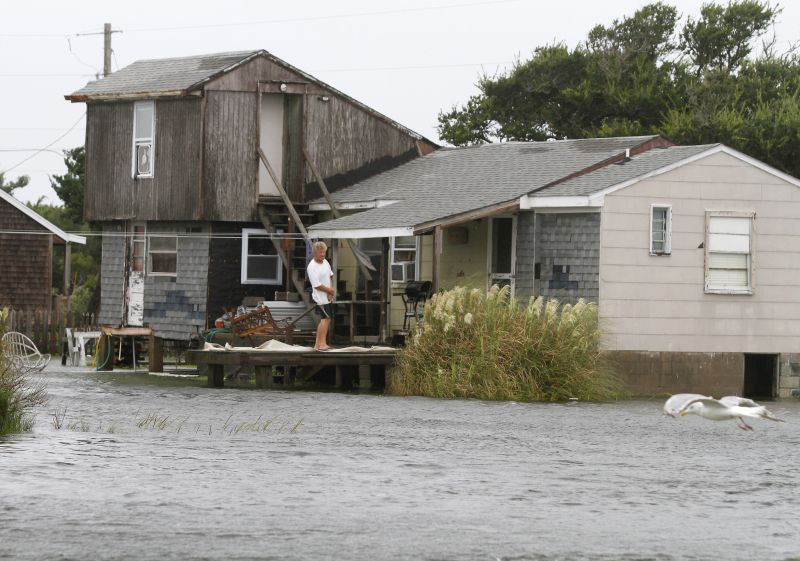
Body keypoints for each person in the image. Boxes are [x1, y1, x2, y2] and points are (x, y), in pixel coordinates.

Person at [307, 240, 335, 350]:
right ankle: (322, 344)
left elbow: (330, 276)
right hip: (320, 297)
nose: (323, 254)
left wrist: (330, 292)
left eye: (324, 252)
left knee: (327, 319)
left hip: (327, 296)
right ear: (315, 253)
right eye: (320, 252)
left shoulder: (326, 262)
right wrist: (329, 290)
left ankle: (317, 344)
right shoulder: (312, 266)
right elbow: (316, 284)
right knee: (325, 319)